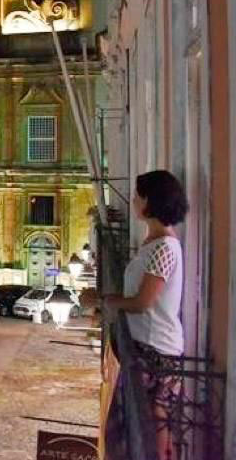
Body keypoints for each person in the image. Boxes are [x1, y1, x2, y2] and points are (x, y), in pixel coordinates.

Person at [86, 170, 188, 460]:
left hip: (156, 352)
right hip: (145, 348)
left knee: (147, 431)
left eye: (138, 195)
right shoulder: (153, 244)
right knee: (134, 430)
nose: (132, 200)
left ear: (151, 202)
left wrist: (106, 300)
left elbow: (143, 302)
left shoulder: (165, 248)